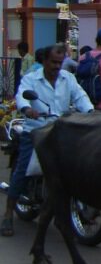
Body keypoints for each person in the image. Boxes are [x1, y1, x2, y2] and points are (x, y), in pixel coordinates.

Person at [2, 44, 93, 237]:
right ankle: (8, 213)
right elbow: (21, 97)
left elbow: (80, 96)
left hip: (61, 131)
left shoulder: (67, 78)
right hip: (36, 131)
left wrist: (90, 112)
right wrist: (27, 110)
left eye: (60, 63)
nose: (57, 66)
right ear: (44, 60)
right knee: (23, 169)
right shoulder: (31, 79)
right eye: (53, 62)